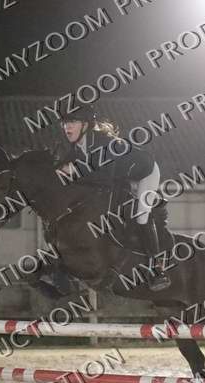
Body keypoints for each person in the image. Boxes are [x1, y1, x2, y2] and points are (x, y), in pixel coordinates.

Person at [55, 104, 171, 291]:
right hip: (121, 176)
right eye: (64, 123)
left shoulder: (103, 143)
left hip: (145, 173)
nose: (66, 127)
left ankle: (157, 269)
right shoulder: (76, 146)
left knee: (141, 215)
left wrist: (74, 170)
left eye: (72, 122)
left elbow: (104, 179)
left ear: (86, 125)